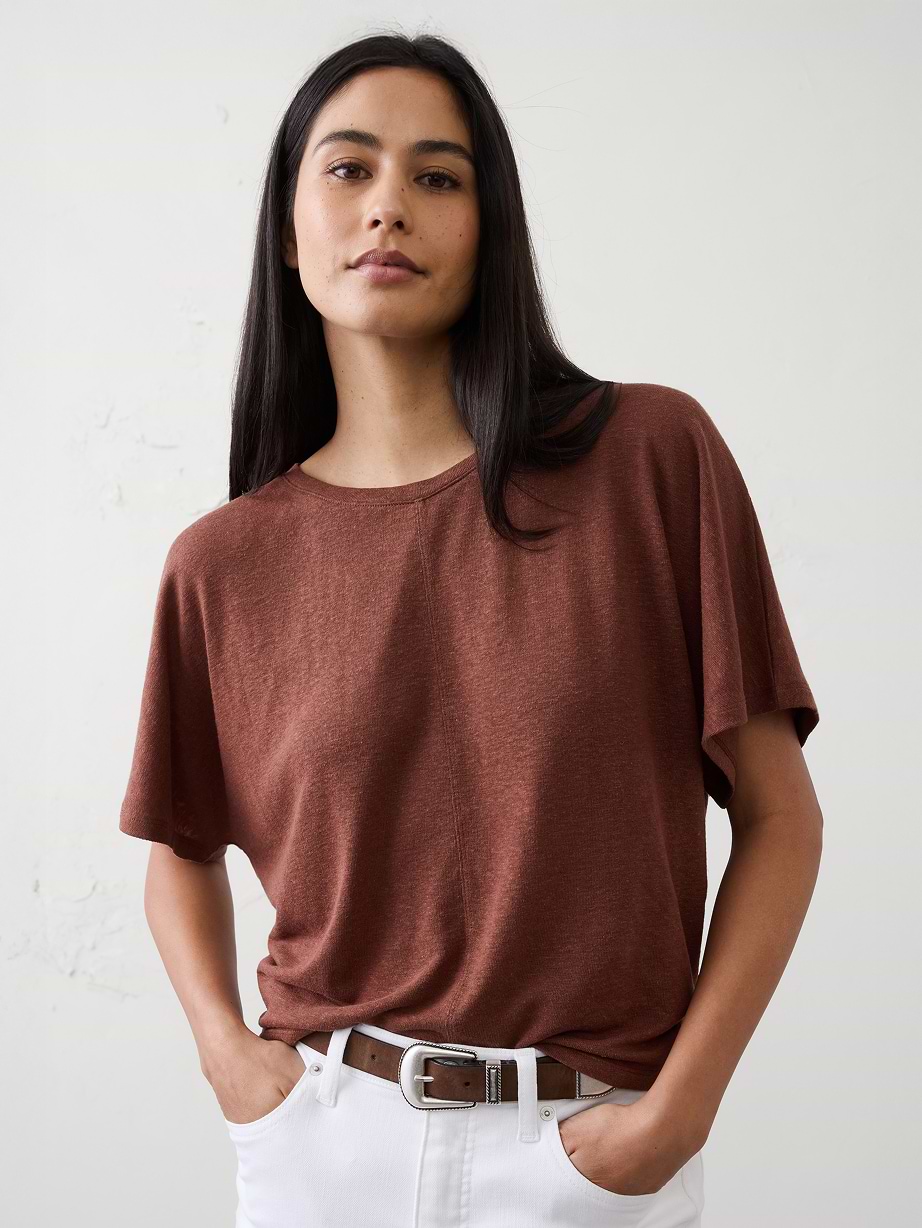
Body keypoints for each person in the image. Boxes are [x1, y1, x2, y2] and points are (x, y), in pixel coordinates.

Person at [118, 30, 823, 1228]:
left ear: (489, 229)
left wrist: (677, 1113)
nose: (389, 205)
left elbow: (777, 812)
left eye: (437, 177)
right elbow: (177, 849)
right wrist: (232, 1064)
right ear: (287, 233)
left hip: (586, 1150)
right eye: (348, 170)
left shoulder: (651, 461)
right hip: (324, 1151)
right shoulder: (223, 565)